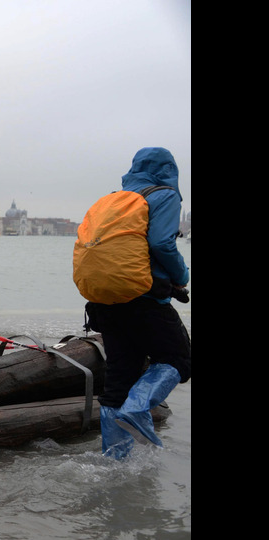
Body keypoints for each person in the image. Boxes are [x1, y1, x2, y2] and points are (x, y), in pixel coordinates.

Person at [84, 147, 191, 459]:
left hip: (103, 300)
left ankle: (115, 460)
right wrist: (182, 274)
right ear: (168, 169)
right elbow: (161, 242)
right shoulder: (164, 194)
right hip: (144, 297)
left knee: (119, 378)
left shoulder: (115, 199)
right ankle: (136, 409)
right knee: (178, 360)